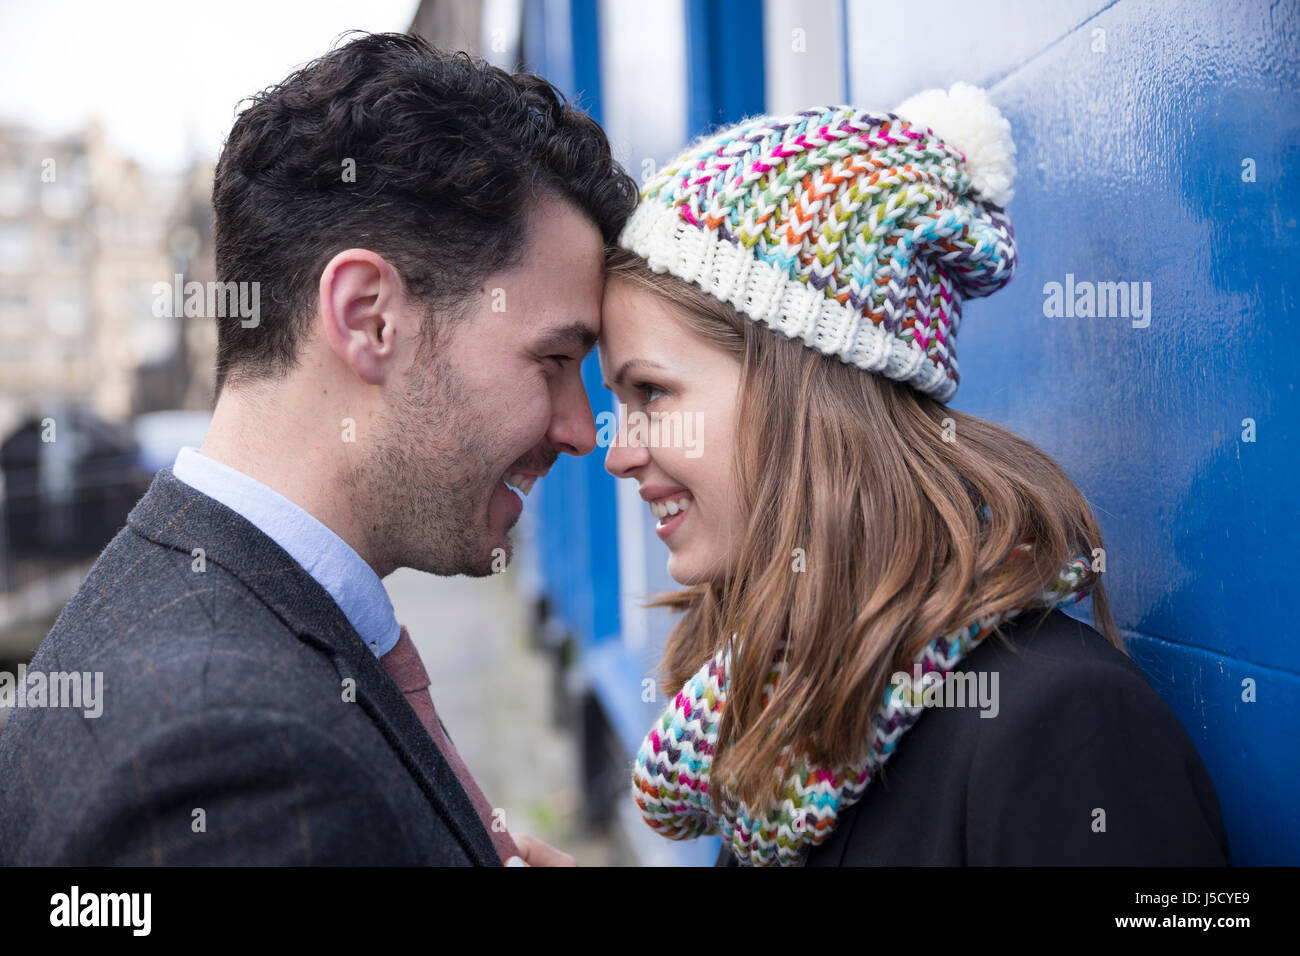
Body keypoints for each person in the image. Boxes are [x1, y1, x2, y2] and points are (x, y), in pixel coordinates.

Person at [0, 32, 637, 866]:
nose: (582, 431)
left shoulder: (185, 604)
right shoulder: (236, 763)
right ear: (370, 317)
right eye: (554, 360)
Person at [599, 85, 1231, 866]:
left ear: (804, 387)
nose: (617, 452)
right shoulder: (774, 718)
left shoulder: (1064, 728)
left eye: (651, 393)